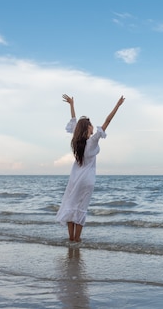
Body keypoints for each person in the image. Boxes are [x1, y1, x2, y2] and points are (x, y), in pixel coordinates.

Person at [55, 94, 125, 242]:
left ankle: (71, 239)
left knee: (71, 205)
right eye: (91, 124)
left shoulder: (77, 141)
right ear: (87, 128)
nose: (93, 126)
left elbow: (75, 122)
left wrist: (72, 105)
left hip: (75, 179)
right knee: (80, 209)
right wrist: (117, 106)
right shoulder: (92, 142)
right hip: (87, 180)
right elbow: (108, 121)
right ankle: (77, 240)